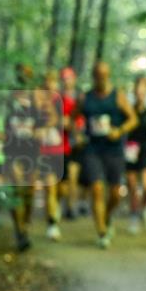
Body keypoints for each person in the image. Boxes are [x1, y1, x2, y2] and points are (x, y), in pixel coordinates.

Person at [78, 61, 138, 249]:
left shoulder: (117, 96)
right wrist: (77, 134)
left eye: (105, 75)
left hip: (113, 150)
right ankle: (102, 232)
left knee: (115, 194)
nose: (101, 79)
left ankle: (106, 216)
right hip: (92, 150)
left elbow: (133, 119)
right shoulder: (85, 98)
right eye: (98, 75)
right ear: (93, 76)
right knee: (96, 189)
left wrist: (119, 131)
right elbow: (73, 119)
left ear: (108, 75)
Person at [4, 65, 42, 252]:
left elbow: (47, 119)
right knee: (16, 189)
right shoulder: (8, 97)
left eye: (27, 74)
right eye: (21, 73)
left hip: (31, 150)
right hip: (12, 150)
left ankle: (25, 224)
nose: (23, 77)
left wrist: (39, 130)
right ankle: (19, 231)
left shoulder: (36, 97)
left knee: (29, 192)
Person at [124, 74, 146, 234]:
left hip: (145, 149)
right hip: (130, 149)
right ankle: (134, 216)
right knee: (132, 187)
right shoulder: (128, 110)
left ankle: (145, 211)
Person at [37, 70, 67, 241]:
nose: (50, 84)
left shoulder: (61, 101)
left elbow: (67, 120)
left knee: (61, 188)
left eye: (53, 81)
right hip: (44, 151)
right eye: (47, 81)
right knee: (50, 186)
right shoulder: (36, 101)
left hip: (61, 151)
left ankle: (56, 209)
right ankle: (52, 225)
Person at [59, 66, 87, 220]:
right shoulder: (58, 98)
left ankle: (71, 206)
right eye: (64, 78)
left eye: (69, 78)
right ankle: (64, 203)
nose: (66, 81)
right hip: (62, 143)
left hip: (77, 141)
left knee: (74, 175)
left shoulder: (80, 97)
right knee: (64, 180)